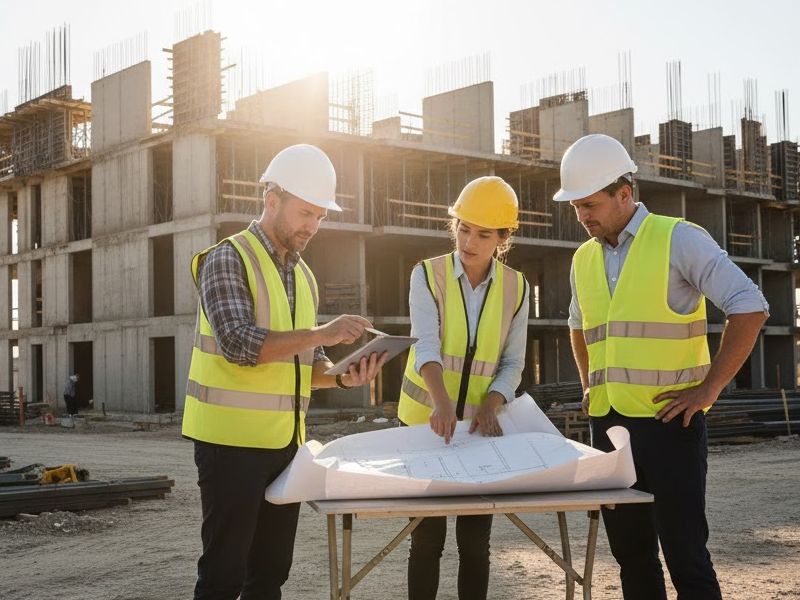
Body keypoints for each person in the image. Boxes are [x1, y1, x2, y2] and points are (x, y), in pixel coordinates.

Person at [556, 133, 769, 599]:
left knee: (685, 556)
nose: (581, 216)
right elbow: (578, 325)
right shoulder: (582, 258)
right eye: (575, 206)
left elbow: (749, 305)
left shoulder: (678, 238)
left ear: (624, 194)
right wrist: (589, 383)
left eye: (589, 204)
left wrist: (708, 390)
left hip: (670, 423)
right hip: (609, 427)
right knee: (631, 558)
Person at [182, 143, 386, 600]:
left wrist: (340, 376)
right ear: (272, 200)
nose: (312, 226)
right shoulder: (227, 258)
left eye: (320, 216)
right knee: (222, 576)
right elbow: (238, 343)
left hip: (283, 444)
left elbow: (303, 368)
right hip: (229, 444)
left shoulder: (303, 276)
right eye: (305, 213)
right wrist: (322, 334)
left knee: (270, 574)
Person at [398, 176, 530, 600]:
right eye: (464, 228)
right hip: (425, 424)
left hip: (479, 432)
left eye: (483, 233)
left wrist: (492, 404)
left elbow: (513, 362)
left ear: (503, 238)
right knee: (427, 542)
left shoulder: (518, 288)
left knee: (475, 544)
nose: (469, 241)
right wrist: (441, 404)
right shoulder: (426, 274)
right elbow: (426, 344)